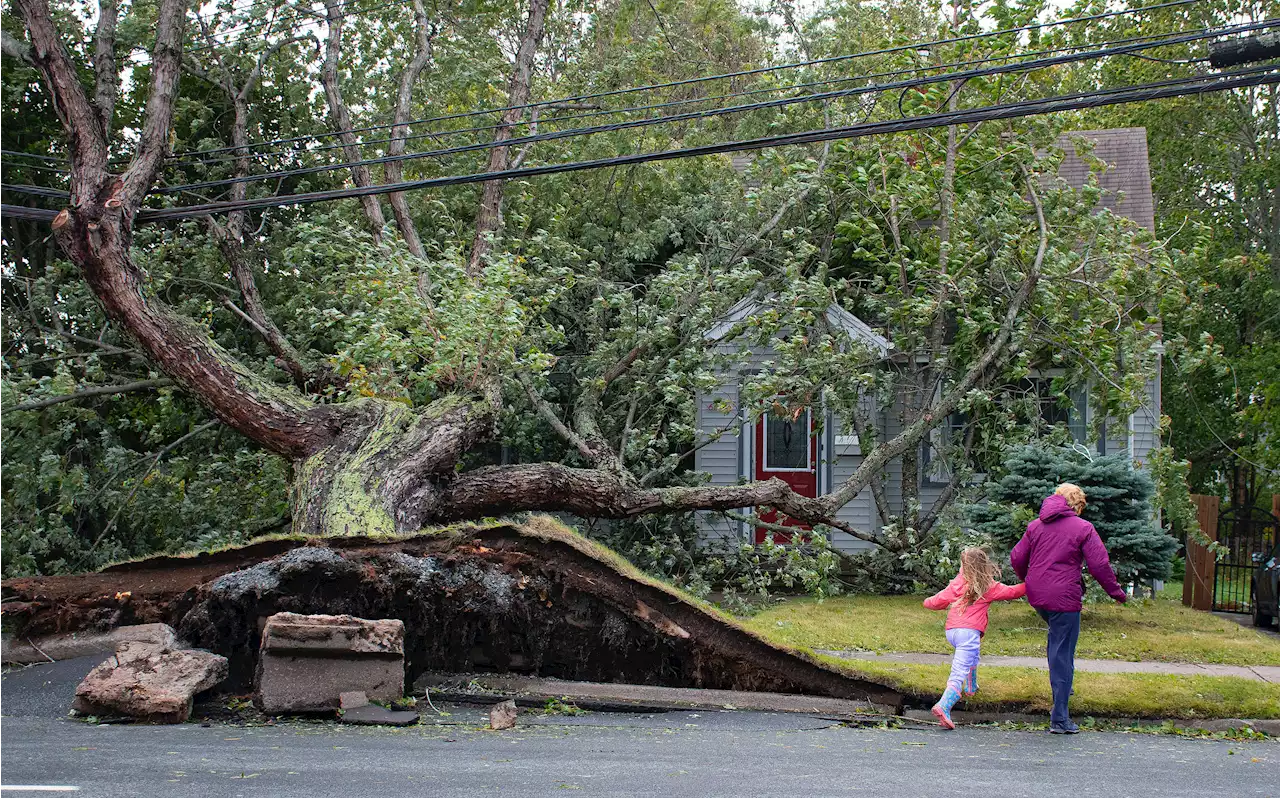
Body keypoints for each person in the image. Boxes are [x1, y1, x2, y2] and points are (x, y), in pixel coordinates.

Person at [1010, 483, 1127, 735]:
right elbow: (1099, 564)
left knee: (1057, 641)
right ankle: (1060, 718)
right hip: (1064, 597)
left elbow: (1017, 557)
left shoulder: (1035, 526)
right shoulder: (1083, 528)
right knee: (1062, 650)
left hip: (1038, 595)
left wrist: (1028, 579)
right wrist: (1116, 593)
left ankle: (1063, 685)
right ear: (1077, 505)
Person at [923, 547, 1027, 730]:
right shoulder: (989, 586)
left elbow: (936, 601)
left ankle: (971, 687)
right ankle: (944, 705)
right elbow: (1014, 592)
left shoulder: (956, 584)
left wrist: (927, 601)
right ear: (984, 565)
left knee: (972, 654)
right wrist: (1033, 582)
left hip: (952, 632)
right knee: (958, 671)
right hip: (968, 632)